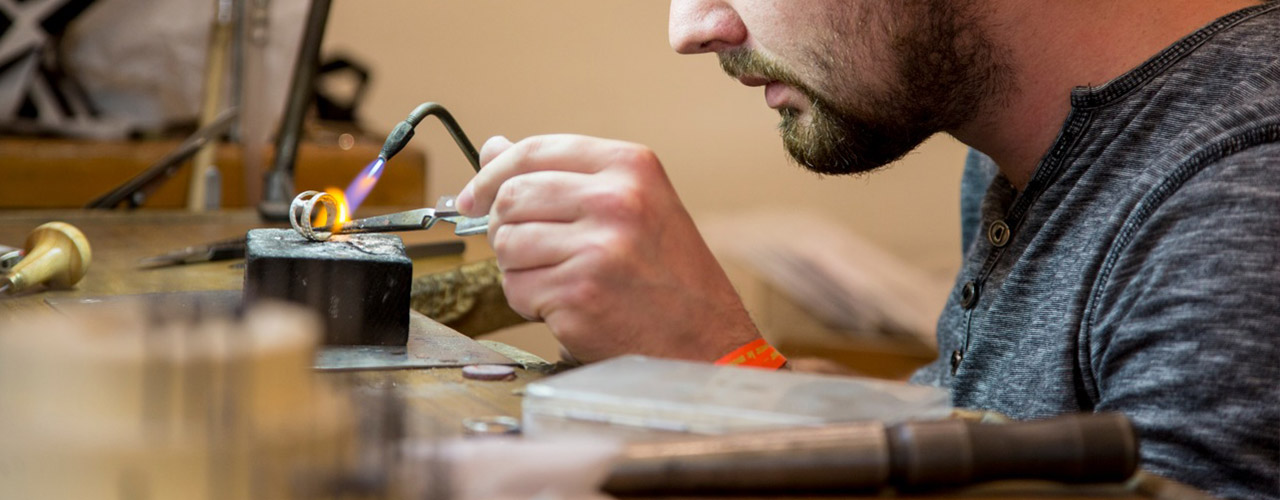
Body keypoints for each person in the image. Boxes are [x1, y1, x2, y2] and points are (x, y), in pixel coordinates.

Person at [455, 1, 1280, 498]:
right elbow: (981, 443)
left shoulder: (1237, 206)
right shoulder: (1019, 160)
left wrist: (719, 376)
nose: (693, 27)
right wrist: (727, 369)